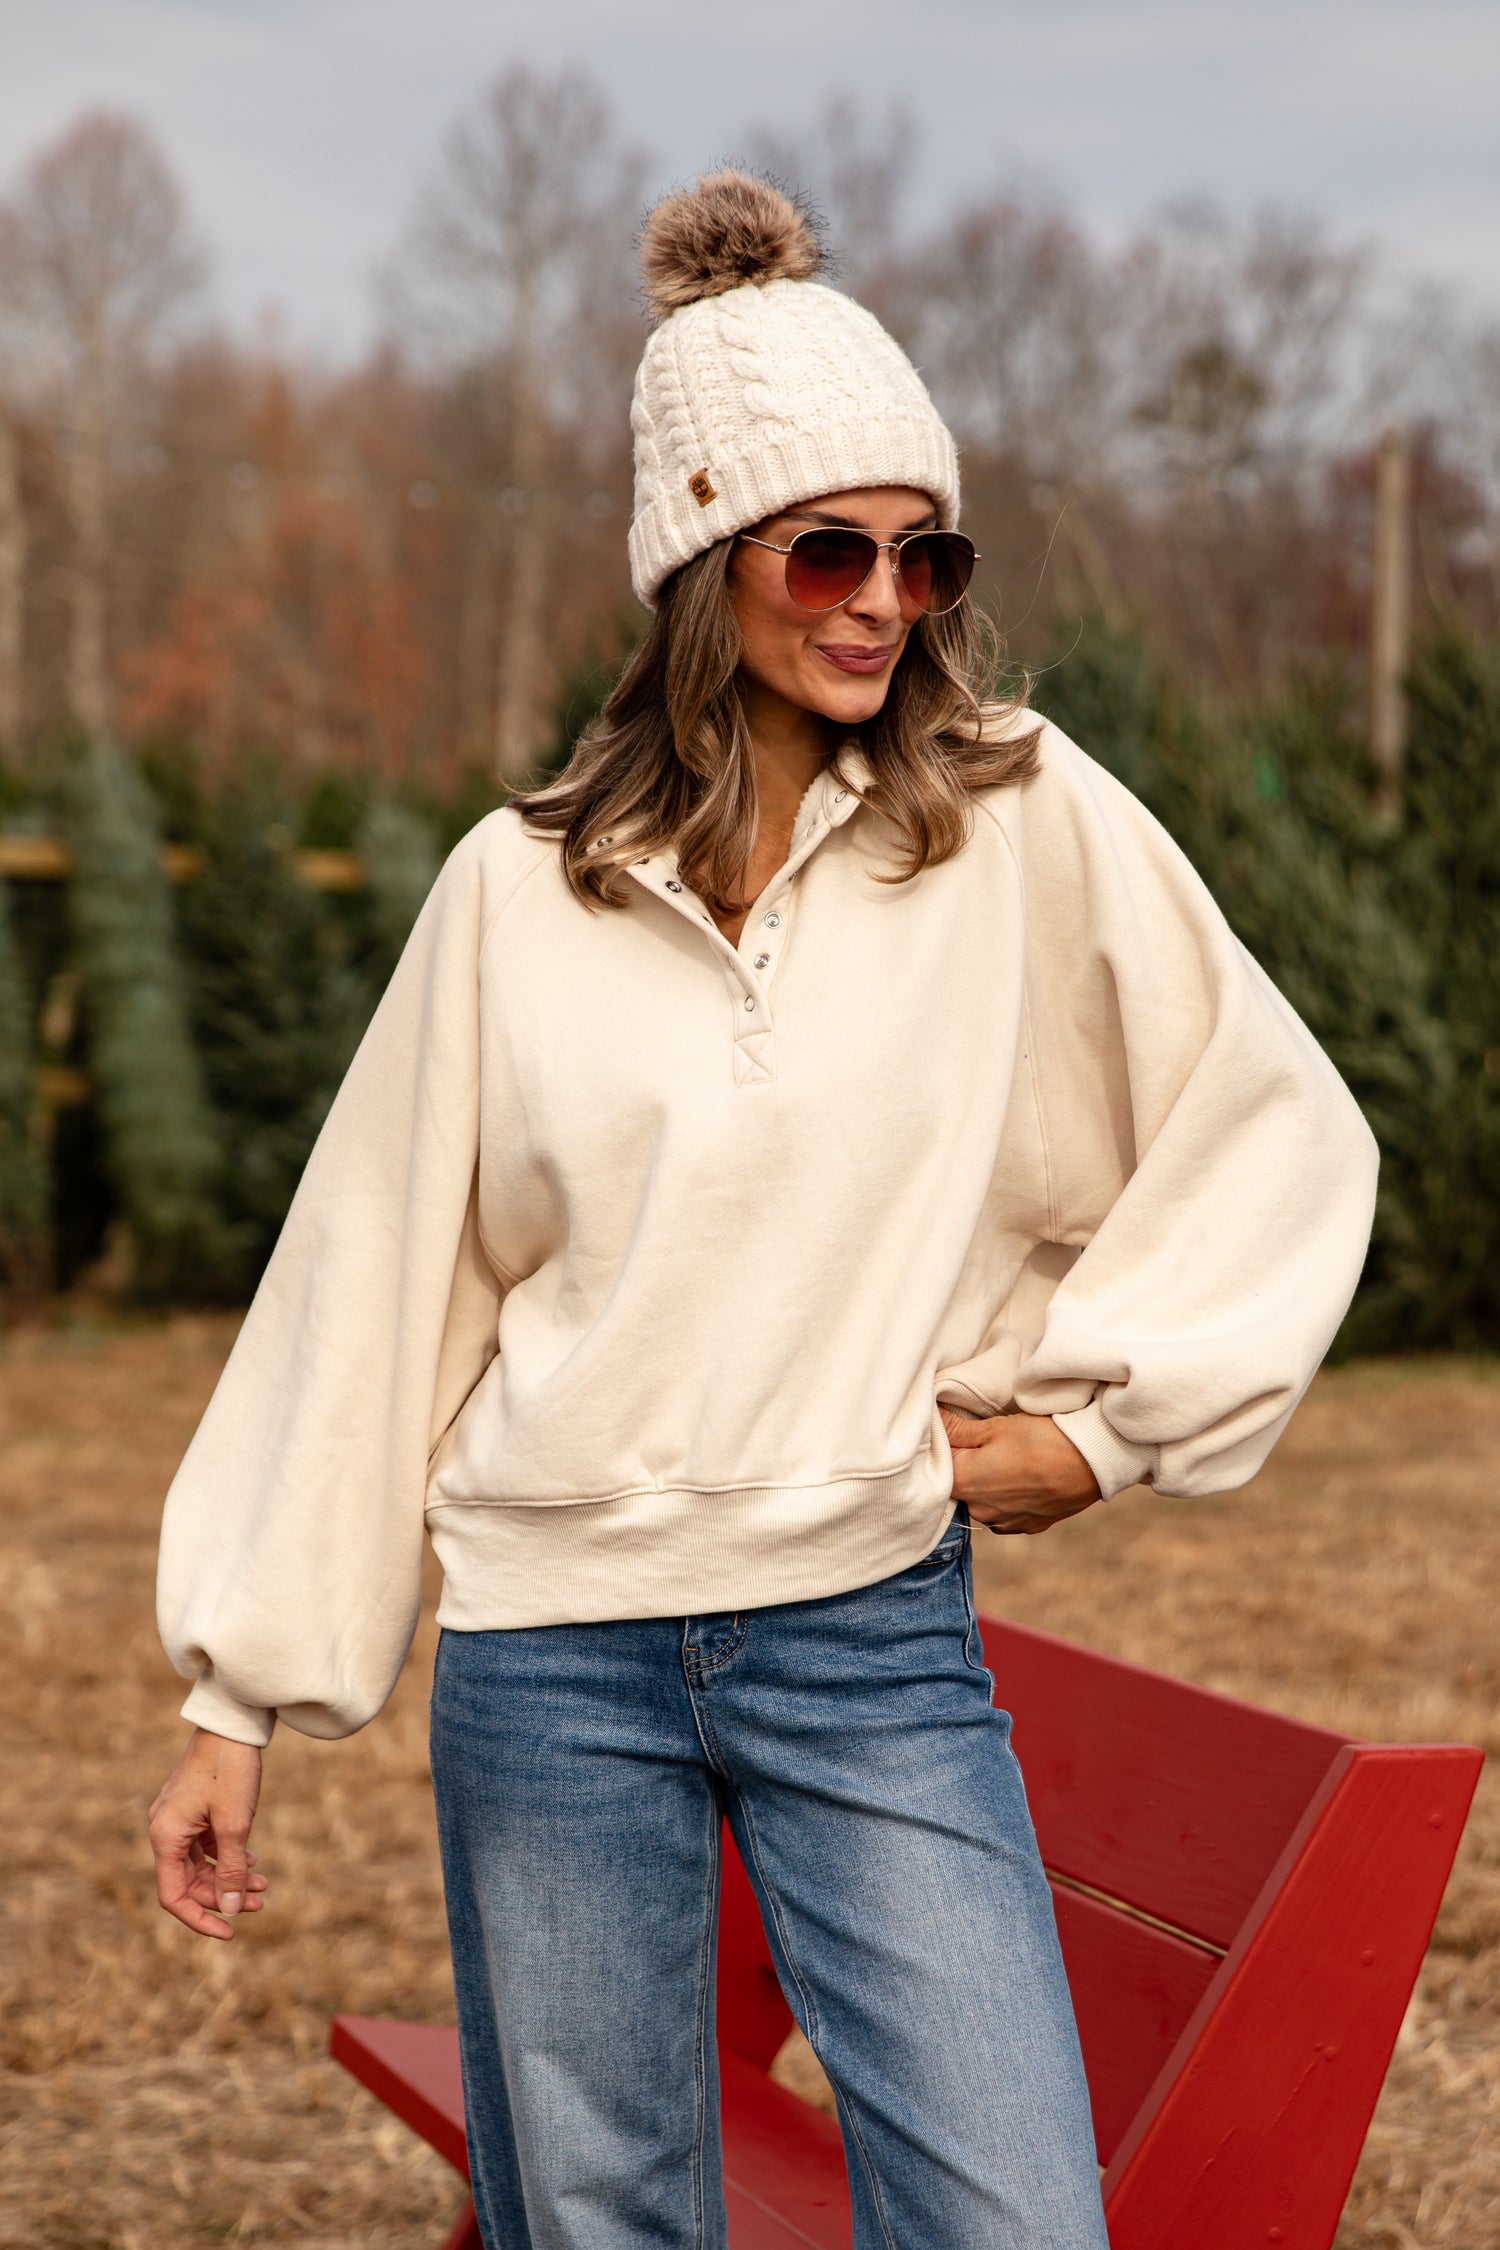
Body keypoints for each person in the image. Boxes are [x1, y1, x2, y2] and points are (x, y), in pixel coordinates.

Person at [149, 171, 1378, 2249]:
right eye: (828, 546)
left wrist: (1098, 1428)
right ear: (707, 561)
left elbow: (1279, 1124)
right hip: (552, 1660)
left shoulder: (1011, 819)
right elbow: (376, 1288)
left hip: (867, 1641)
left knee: (1013, 2216)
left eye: (925, 552)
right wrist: (236, 1697)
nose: (883, 599)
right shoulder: (510, 892)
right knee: (605, 2221)